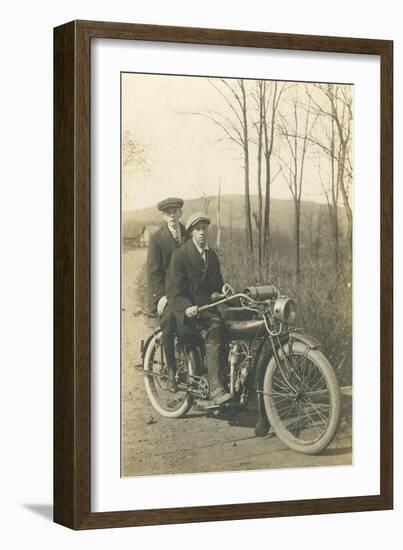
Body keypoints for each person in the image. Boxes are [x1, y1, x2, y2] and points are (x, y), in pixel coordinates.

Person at [166, 212, 232, 405]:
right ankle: (216, 387)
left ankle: (229, 380)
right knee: (214, 328)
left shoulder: (212, 256)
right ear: (191, 232)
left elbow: (217, 284)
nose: (202, 232)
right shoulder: (180, 256)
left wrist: (223, 290)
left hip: (208, 308)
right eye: (198, 229)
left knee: (231, 326)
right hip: (190, 314)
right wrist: (187, 307)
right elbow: (174, 292)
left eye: (205, 228)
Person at [147, 197, 190, 392]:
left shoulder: (189, 234)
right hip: (167, 293)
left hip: (187, 291)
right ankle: (172, 370)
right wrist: (161, 296)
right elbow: (154, 272)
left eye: (175, 211)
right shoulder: (157, 238)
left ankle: (198, 367)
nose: (172, 215)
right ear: (163, 216)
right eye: (168, 212)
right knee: (169, 322)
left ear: (180, 213)